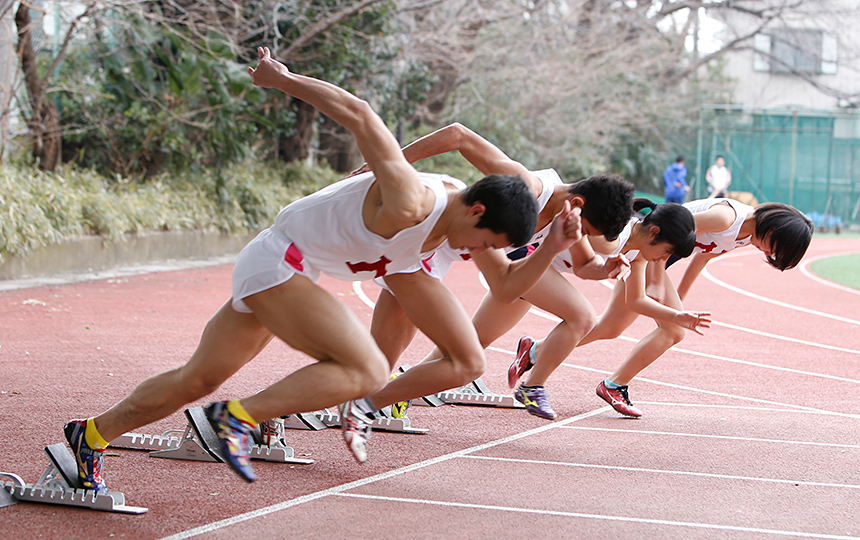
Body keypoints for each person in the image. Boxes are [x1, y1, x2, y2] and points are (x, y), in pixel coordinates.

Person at [62, 47, 580, 489]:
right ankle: (236, 420)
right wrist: (282, 80)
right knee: (368, 368)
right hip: (280, 260)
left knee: (197, 378)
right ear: (476, 210)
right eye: (483, 242)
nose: (476, 253)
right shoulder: (411, 200)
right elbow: (359, 114)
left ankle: (87, 437)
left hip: (300, 273)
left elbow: (510, 286)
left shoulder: (461, 225)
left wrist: (552, 240)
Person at [351, 123, 636, 422]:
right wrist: (388, 163)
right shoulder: (527, 185)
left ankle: (368, 397)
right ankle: (338, 399)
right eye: (587, 231)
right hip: (423, 244)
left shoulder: (565, 217)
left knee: (443, 356)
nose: (580, 236)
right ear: (577, 203)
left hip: (457, 259)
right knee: (398, 359)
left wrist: (607, 268)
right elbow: (458, 135)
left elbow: (583, 265)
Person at [511, 202, 709, 418]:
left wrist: (677, 316)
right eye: (666, 253)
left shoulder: (638, 253)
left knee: (476, 350)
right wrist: (597, 267)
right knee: (582, 318)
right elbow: (573, 219)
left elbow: (636, 300)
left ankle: (531, 358)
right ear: (654, 232)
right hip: (523, 258)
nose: (662, 261)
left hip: (537, 266)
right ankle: (532, 385)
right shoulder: (613, 235)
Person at [669, 198, 814, 301]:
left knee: (674, 328)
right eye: (774, 248)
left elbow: (704, 257)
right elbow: (668, 230)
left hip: (669, 251)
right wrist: (656, 281)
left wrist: (679, 298)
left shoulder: (746, 236)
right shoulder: (726, 218)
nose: (769, 253)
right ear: (772, 231)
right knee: (672, 327)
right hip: (657, 241)